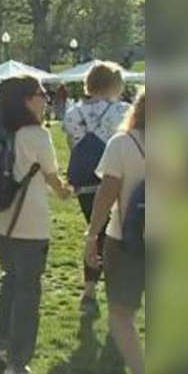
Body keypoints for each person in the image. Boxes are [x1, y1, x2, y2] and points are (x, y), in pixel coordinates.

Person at [0, 76, 71, 374]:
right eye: (40, 94)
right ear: (24, 99)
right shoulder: (36, 135)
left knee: (11, 279)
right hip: (28, 222)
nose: (45, 99)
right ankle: (17, 363)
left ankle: (1, 345)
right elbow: (52, 176)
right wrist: (64, 191)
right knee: (28, 290)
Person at [83, 90, 146, 374]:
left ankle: (141, 373)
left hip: (125, 239)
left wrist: (92, 235)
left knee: (121, 314)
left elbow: (106, 195)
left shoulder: (122, 144)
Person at [62, 62, 131, 312]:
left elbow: (73, 146)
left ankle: (89, 289)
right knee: (115, 236)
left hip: (85, 181)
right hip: (114, 178)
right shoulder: (123, 111)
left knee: (95, 233)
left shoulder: (72, 113)